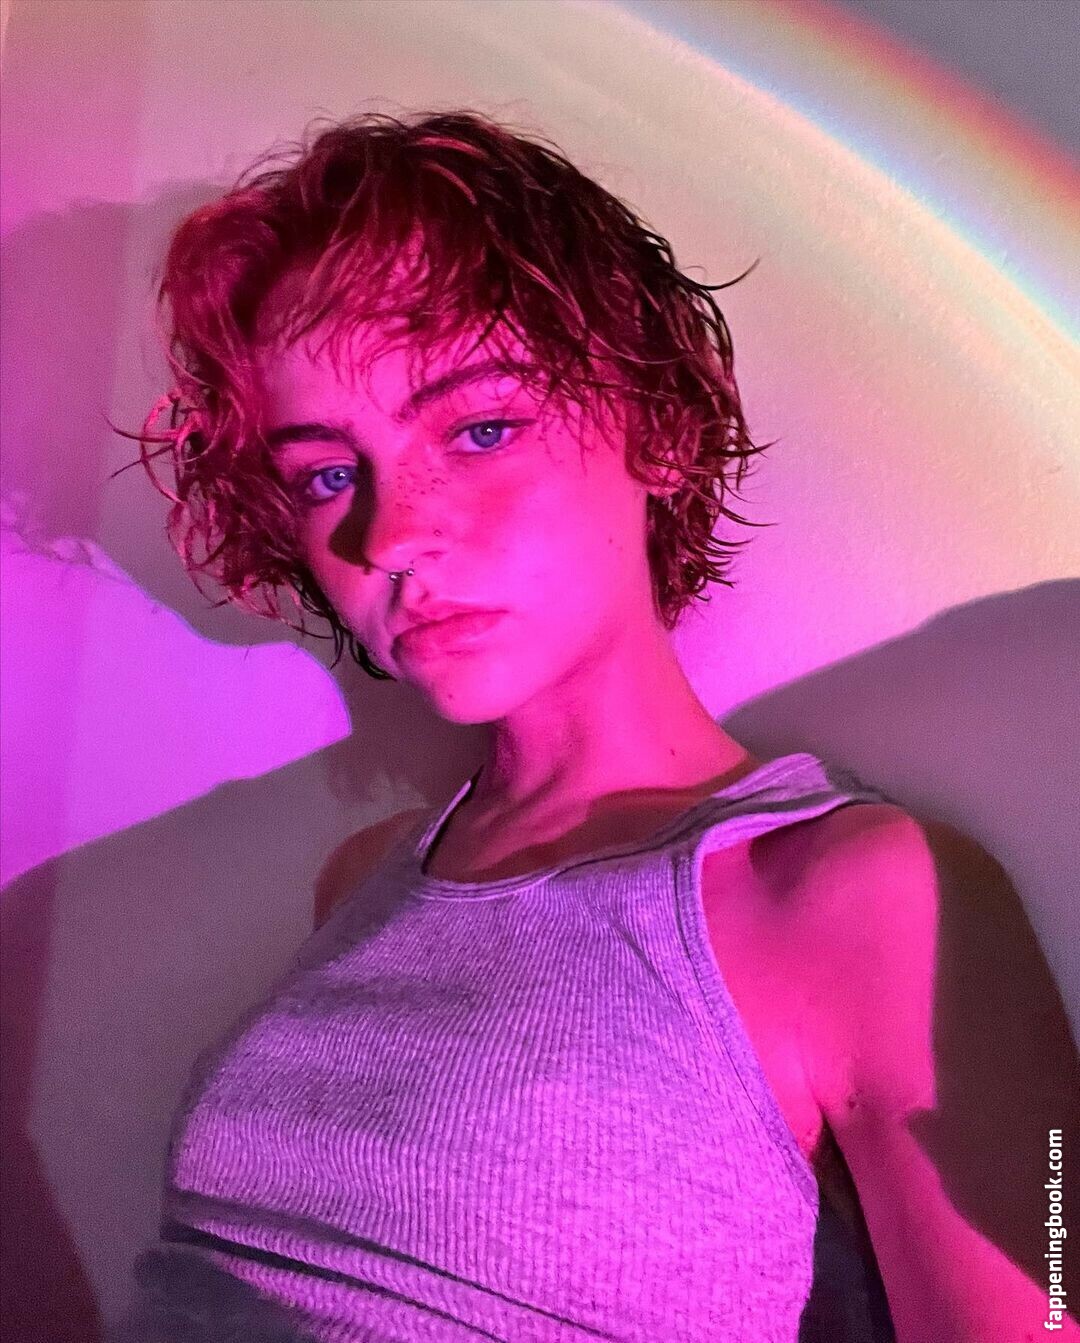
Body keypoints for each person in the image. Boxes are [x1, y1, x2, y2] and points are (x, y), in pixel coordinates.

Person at [116, 109, 1078, 1342]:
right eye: (327, 474)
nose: (389, 536)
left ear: (661, 430)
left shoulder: (850, 890)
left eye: (481, 429)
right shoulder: (365, 879)